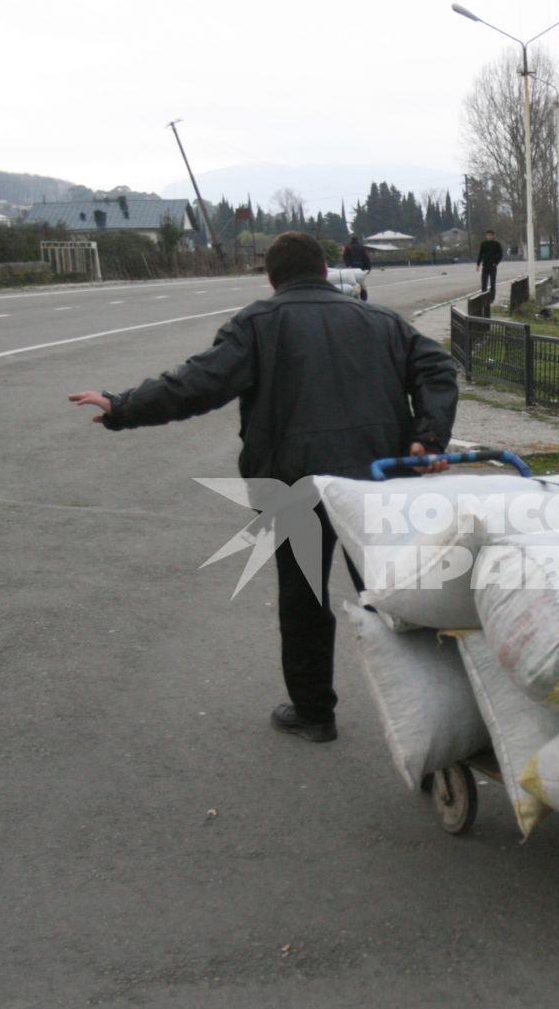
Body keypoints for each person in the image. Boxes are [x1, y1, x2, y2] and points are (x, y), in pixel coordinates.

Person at [67, 231, 458, 743]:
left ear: (272, 278)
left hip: (293, 485)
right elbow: (437, 368)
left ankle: (315, 714)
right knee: (392, 598)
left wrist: (122, 407)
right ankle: (433, 717)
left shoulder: (257, 324)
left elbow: (197, 384)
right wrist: (427, 438)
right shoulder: (382, 321)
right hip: (378, 484)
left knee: (303, 599)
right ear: (325, 270)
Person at [475, 229, 503, 296]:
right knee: (484, 282)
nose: (489, 237)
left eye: (490, 235)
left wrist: (496, 263)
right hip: (485, 266)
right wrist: (478, 264)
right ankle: (484, 296)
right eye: (487, 235)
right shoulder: (483, 244)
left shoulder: (496, 244)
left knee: (492, 283)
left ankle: (492, 298)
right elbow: (481, 254)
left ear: (493, 236)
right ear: (486, 236)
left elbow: (500, 255)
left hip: (492, 266)